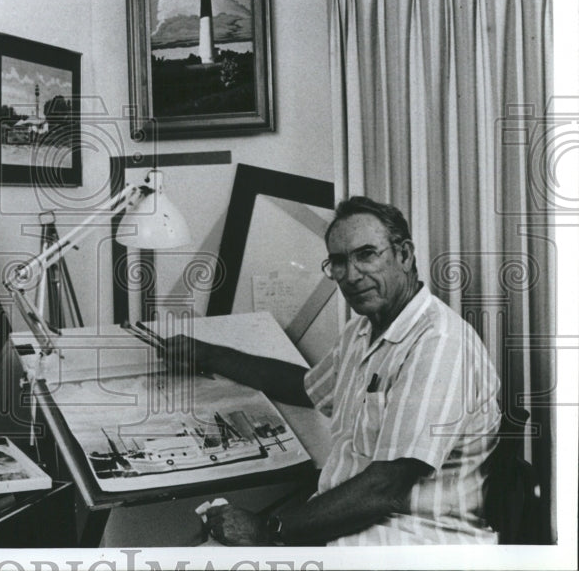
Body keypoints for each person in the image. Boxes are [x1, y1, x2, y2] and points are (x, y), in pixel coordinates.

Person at [164, 196, 501, 545]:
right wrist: (208, 354)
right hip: (358, 527)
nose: (351, 275)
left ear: (404, 255)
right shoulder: (363, 330)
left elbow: (385, 486)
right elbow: (303, 386)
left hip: (413, 540)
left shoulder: (439, 343)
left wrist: (267, 530)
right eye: (338, 262)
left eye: (366, 255)